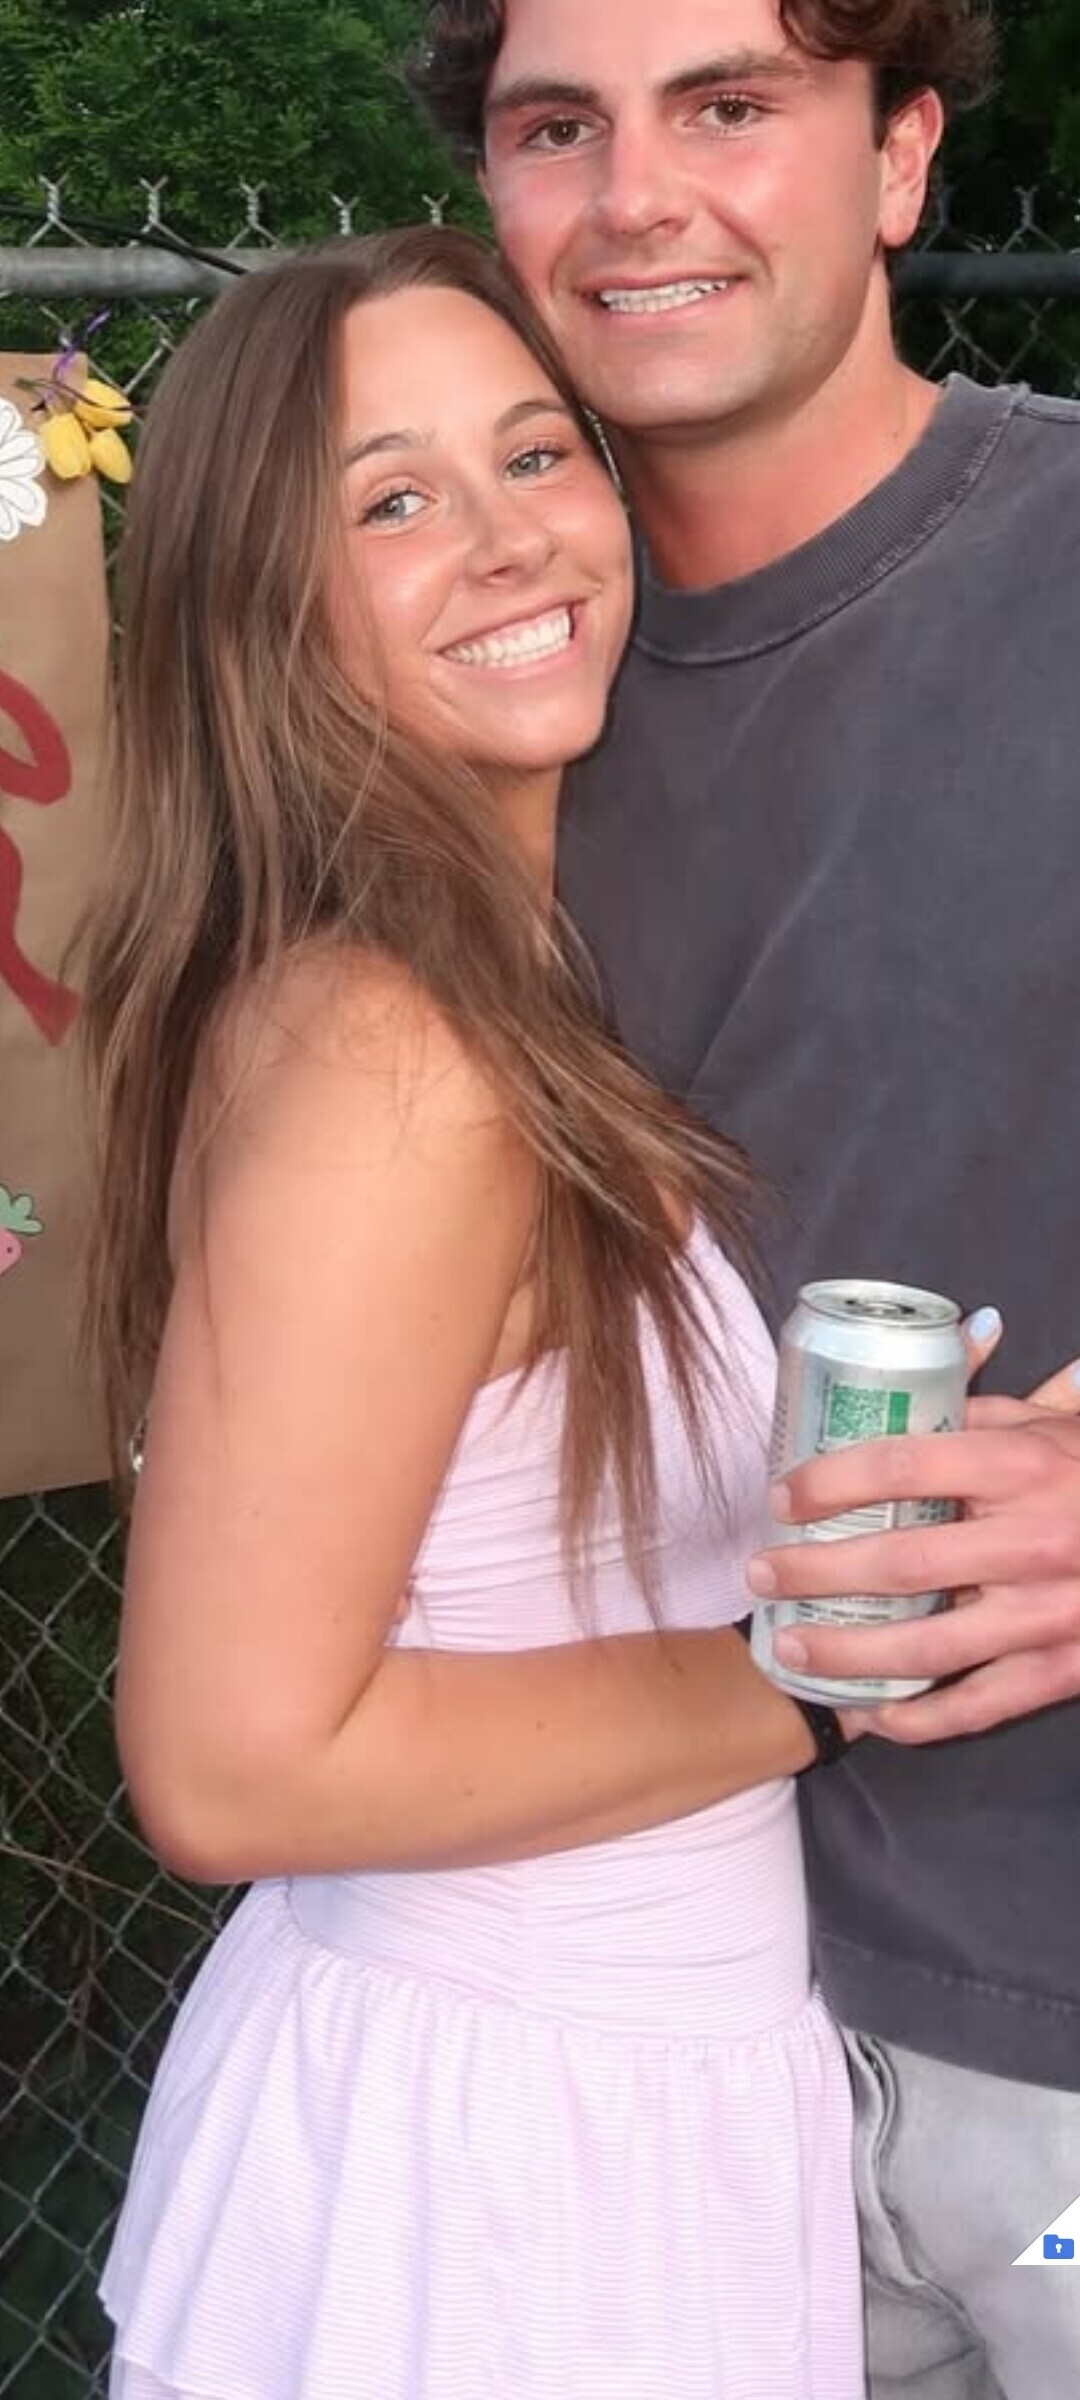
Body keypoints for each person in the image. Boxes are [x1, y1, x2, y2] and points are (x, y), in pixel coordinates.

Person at [86, 226, 872, 2400]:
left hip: (584, 2111)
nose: (509, 537)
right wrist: (820, 1684)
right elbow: (230, 1762)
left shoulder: (488, 983)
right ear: (268, 610)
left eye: (534, 453)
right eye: (393, 500)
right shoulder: (396, 1055)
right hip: (505, 2180)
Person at [414, 3, 1080, 2394]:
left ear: (901, 157)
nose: (636, 197)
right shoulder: (454, 684)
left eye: (731, 105)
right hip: (631, 2027)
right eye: (557, 126)